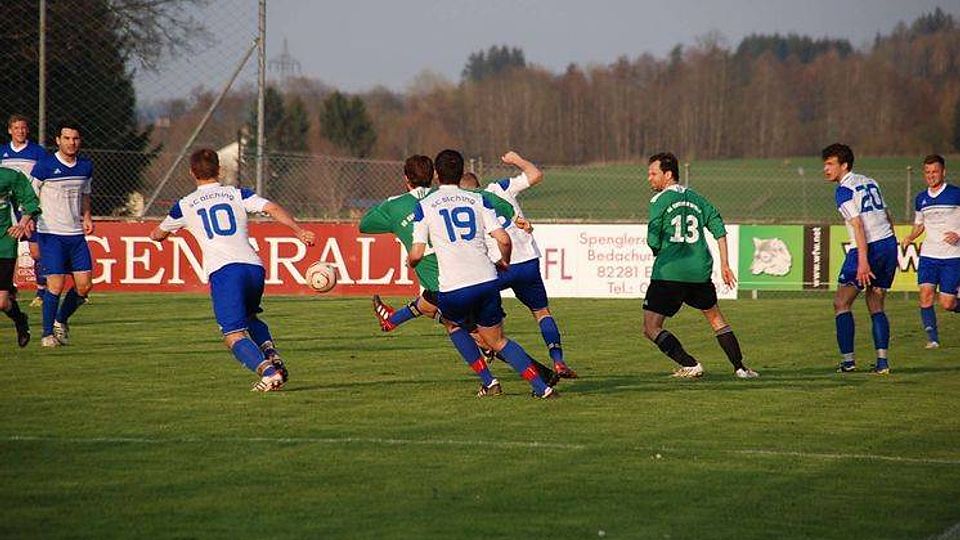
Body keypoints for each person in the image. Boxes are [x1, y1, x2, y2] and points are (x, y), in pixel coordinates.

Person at [360, 155, 556, 393]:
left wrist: (409, 256)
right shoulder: (475, 197)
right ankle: (390, 320)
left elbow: (367, 225)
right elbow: (500, 218)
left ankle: (495, 381)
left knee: (460, 328)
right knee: (491, 336)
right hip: (484, 276)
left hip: (450, 281)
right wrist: (515, 220)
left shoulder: (413, 205)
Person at [150, 148, 316, 391]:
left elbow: (158, 235)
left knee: (233, 336)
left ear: (191, 173)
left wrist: (159, 233)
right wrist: (299, 230)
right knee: (250, 318)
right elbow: (272, 208)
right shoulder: (237, 194)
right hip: (254, 268)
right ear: (219, 170)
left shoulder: (184, 205)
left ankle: (269, 373)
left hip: (225, 272)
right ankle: (271, 353)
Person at [642, 152, 758, 379]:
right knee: (715, 318)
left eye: (653, 173)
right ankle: (740, 368)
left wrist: (659, 251)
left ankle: (690, 364)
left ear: (668, 174)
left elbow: (652, 239)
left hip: (669, 272)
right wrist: (725, 264)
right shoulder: (697, 198)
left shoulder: (658, 201)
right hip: (699, 272)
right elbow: (718, 227)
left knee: (651, 327)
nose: (649, 178)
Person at [472, 151, 578, 379]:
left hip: (499, 265)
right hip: (527, 261)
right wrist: (516, 160)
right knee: (541, 312)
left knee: (469, 310)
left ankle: (487, 345)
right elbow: (536, 174)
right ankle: (558, 361)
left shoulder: (466, 203)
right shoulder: (500, 188)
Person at [822, 143, 897, 374]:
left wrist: (863, 261)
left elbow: (857, 225)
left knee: (841, 303)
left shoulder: (844, 190)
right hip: (887, 243)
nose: (826, 169)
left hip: (868, 247)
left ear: (844, 165)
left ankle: (848, 361)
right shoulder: (870, 181)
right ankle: (882, 363)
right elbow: (886, 215)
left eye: (830, 164)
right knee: (876, 303)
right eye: (825, 164)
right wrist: (891, 245)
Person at [30, 122, 95, 347]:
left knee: (84, 287)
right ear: (58, 140)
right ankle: (47, 334)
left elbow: (85, 193)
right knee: (55, 286)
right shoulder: (44, 166)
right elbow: (30, 195)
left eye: (75, 138)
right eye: (66, 138)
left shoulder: (85, 166)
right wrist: (27, 219)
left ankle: (61, 319)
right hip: (51, 234)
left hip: (76, 236)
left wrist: (87, 216)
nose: (71, 142)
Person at [899, 154, 960, 348]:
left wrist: (959, 233)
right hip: (928, 255)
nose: (931, 175)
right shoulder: (921, 199)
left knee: (947, 303)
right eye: (927, 172)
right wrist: (910, 237)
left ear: (943, 172)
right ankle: (932, 339)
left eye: (935, 171)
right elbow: (920, 225)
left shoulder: (955, 194)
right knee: (925, 294)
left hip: (953, 256)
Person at [1, 114, 50, 307]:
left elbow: (43, 181)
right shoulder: (3, 152)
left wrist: (31, 213)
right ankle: (9, 290)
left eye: (23, 128)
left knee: (36, 252)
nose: (20, 131)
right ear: (9, 130)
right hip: (8, 210)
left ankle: (41, 290)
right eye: (16, 128)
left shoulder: (38, 152)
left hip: (29, 207)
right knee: (6, 251)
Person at [0, 166, 40, 347]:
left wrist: (23, 223)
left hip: (4, 243)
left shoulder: (9, 176)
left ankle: (20, 320)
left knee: (1, 303)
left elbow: (30, 200)